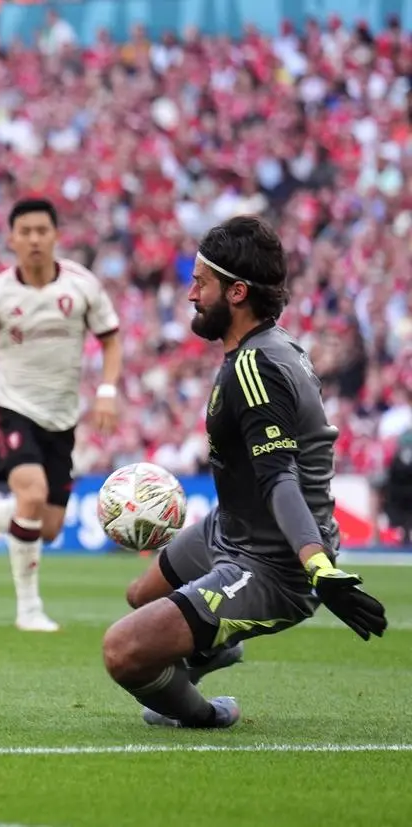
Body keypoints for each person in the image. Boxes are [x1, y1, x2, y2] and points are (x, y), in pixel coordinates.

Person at [104, 215, 387, 729]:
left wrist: (318, 567)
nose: (190, 294)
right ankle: (213, 649)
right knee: (141, 596)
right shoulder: (265, 348)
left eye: (200, 283)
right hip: (230, 528)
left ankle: (208, 714)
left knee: (123, 650)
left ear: (236, 292)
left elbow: (281, 478)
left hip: (273, 563)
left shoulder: (257, 368)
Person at [0, 198, 123, 632]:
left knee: (46, 528)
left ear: (55, 235)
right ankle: (29, 610)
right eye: (26, 232)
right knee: (30, 496)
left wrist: (106, 392)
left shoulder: (81, 286)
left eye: (42, 231)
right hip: (12, 409)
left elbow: (111, 338)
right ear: (12, 239)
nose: (34, 239)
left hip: (62, 418)